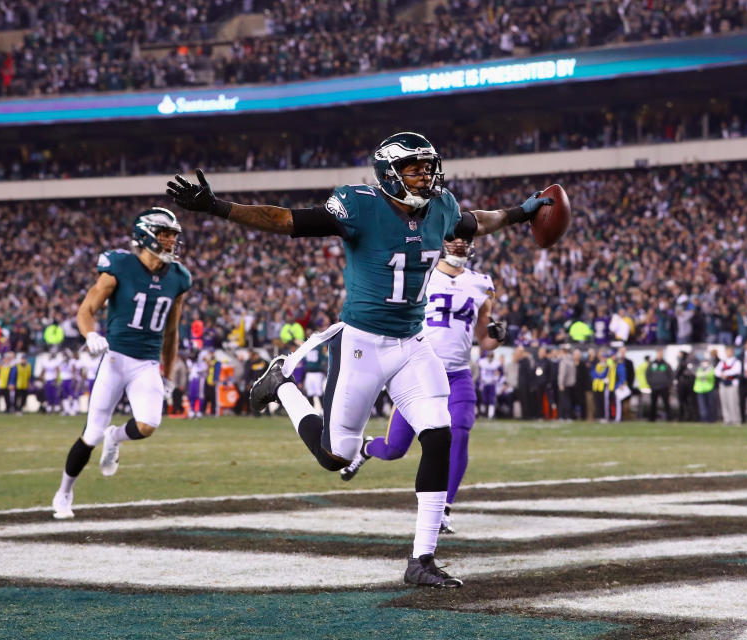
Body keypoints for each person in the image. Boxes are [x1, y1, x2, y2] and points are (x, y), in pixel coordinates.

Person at [166, 131, 552, 588]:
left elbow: (477, 222)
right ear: (390, 173)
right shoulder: (360, 205)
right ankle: (283, 386)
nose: (426, 175)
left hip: (412, 344)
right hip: (362, 344)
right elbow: (287, 219)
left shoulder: (441, 207)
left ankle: (421, 560)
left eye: (429, 166)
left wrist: (521, 213)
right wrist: (218, 207)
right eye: (415, 168)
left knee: (439, 434)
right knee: (335, 457)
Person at [337, 237, 506, 535]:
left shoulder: (481, 283)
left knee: (459, 434)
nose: (458, 245)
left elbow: (485, 339)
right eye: (453, 239)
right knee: (393, 449)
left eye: (464, 240)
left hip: (458, 375)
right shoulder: (423, 274)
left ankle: (443, 509)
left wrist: (497, 335)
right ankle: (366, 448)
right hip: (420, 374)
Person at [51, 208, 191, 519]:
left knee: (148, 424)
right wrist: (90, 336)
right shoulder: (119, 266)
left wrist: (167, 374)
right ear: (146, 234)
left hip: (147, 363)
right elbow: (85, 310)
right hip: (115, 358)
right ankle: (64, 492)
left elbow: (171, 333)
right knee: (91, 434)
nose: (171, 240)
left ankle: (116, 437)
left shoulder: (179, 278)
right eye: (164, 233)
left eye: (173, 235)